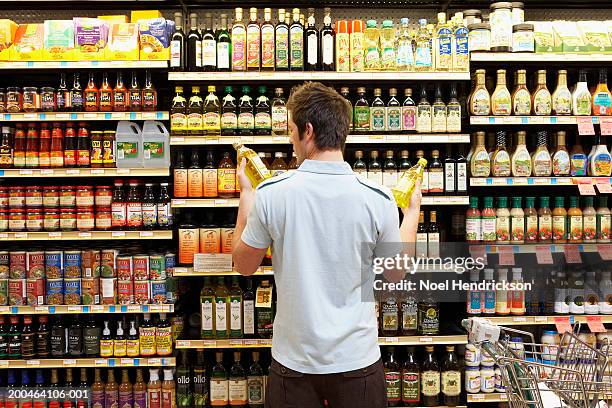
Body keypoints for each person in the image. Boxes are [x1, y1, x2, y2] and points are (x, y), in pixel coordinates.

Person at [231, 82, 421, 408]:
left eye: (290, 131)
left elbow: (244, 265)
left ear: (307, 131)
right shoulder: (377, 198)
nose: (290, 141)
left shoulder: (272, 194)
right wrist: (413, 212)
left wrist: (246, 195)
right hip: (357, 361)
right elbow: (395, 274)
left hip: (293, 364)